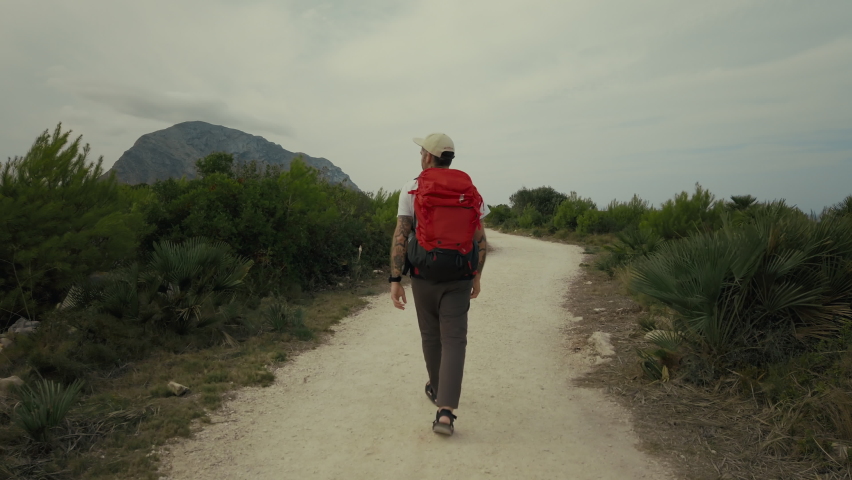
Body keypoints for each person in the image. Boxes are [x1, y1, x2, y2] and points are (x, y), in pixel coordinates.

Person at [388, 132, 489, 436]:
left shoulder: (412, 188)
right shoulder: (470, 190)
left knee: (431, 336)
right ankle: (446, 412)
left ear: (428, 157)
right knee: (455, 340)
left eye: (422, 151)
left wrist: (395, 278)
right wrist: (476, 275)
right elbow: (480, 239)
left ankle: (435, 386)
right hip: (459, 275)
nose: (421, 155)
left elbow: (401, 235)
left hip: (424, 275)